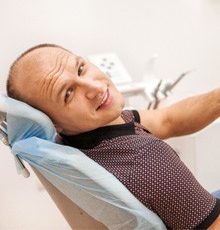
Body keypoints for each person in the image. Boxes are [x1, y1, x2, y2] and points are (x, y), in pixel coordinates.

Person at [6, 43, 220, 229]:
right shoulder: (148, 160)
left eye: (80, 68)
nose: (95, 88)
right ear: (54, 123)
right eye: (68, 94)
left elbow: (167, 120)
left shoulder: (81, 139)